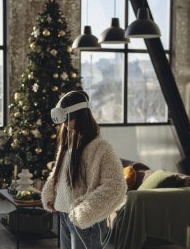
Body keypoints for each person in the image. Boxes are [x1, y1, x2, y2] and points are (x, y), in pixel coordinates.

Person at [41, 90, 127, 249]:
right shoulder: (68, 144)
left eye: (68, 119)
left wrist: (85, 211)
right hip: (64, 215)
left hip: (84, 222)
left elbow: (115, 185)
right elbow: (58, 175)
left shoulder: (101, 148)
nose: (64, 124)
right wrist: (51, 194)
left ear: (80, 116)